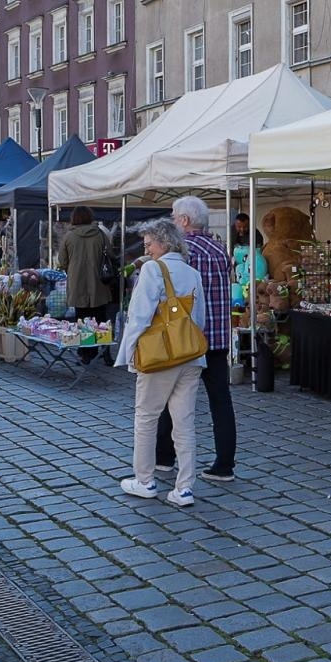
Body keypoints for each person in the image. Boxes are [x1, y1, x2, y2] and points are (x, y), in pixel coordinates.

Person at [115, 218, 205, 508]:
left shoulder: (153, 269)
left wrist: (128, 354)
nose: (147, 249)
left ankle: (144, 480)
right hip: (190, 354)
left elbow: (139, 315)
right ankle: (185, 488)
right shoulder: (192, 272)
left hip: (160, 356)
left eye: (149, 244)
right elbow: (198, 319)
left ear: (164, 242)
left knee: (146, 416)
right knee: (185, 422)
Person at [155, 196, 237, 483]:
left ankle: (164, 458)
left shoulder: (185, 252)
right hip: (218, 338)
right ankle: (225, 464)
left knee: (169, 396)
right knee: (221, 402)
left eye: (174, 216)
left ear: (185, 221)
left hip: (188, 339)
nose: (172, 220)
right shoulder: (220, 248)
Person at [59, 206, 114, 363]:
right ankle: (105, 352)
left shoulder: (69, 237)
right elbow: (111, 255)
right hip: (99, 284)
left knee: (82, 319)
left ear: (74, 218)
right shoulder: (101, 235)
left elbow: (62, 262)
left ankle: (85, 354)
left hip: (78, 284)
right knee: (101, 319)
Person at [231, 223, 266, 308]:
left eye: (245, 227)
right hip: (241, 266)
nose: (242, 229)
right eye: (239, 227)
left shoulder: (255, 234)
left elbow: (259, 246)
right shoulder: (232, 233)